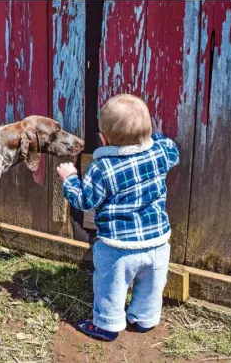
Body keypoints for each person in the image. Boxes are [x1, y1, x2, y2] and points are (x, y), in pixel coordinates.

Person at [56, 94, 180, 341]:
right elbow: (172, 150)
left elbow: (84, 201)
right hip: (157, 243)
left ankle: (107, 325)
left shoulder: (102, 168)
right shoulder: (161, 152)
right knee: (152, 286)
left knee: (110, 287)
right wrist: (155, 135)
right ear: (149, 130)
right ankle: (145, 319)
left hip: (117, 247)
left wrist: (69, 179)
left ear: (103, 138)